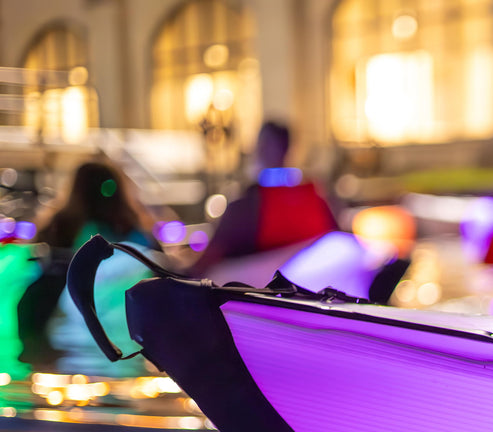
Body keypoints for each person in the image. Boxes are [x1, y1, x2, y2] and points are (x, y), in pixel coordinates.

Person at [17, 160, 160, 373]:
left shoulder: (58, 228)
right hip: (131, 340)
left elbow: (32, 292)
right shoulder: (136, 230)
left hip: (63, 347)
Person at [190, 120, 338, 274]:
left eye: (264, 146)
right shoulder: (314, 196)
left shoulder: (247, 205)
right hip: (312, 286)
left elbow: (209, 258)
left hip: (256, 289)